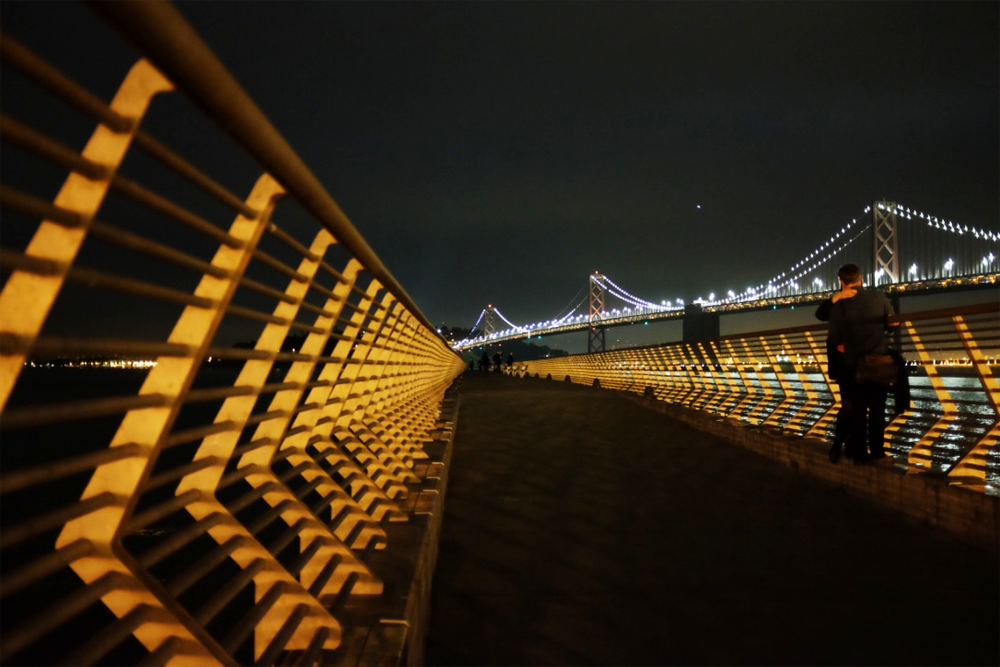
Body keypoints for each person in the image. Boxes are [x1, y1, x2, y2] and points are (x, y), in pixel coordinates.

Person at [826, 263, 898, 464]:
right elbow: (893, 322)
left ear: (842, 283)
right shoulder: (879, 296)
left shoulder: (838, 306)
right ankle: (878, 452)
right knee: (877, 410)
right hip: (878, 363)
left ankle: (858, 454)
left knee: (858, 411)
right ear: (861, 279)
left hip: (853, 366)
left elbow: (834, 338)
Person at [815, 282, 858, 463]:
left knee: (848, 405)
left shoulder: (837, 306)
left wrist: (836, 297)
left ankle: (839, 446)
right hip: (866, 360)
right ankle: (851, 448)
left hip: (845, 362)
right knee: (859, 407)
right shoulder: (873, 298)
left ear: (841, 282)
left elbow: (820, 315)